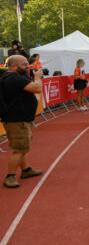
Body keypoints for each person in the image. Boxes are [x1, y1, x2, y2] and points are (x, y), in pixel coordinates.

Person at [1, 55, 43, 188]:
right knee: (19, 148)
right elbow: (37, 88)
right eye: (24, 64)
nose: (28, 67)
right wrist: (37, 77)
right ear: (14, 66)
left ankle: (25, 170)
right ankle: (10, 176)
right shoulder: (15, 79)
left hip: (18, 119)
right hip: (17, 120)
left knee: (22, 146)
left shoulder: (9, 78)